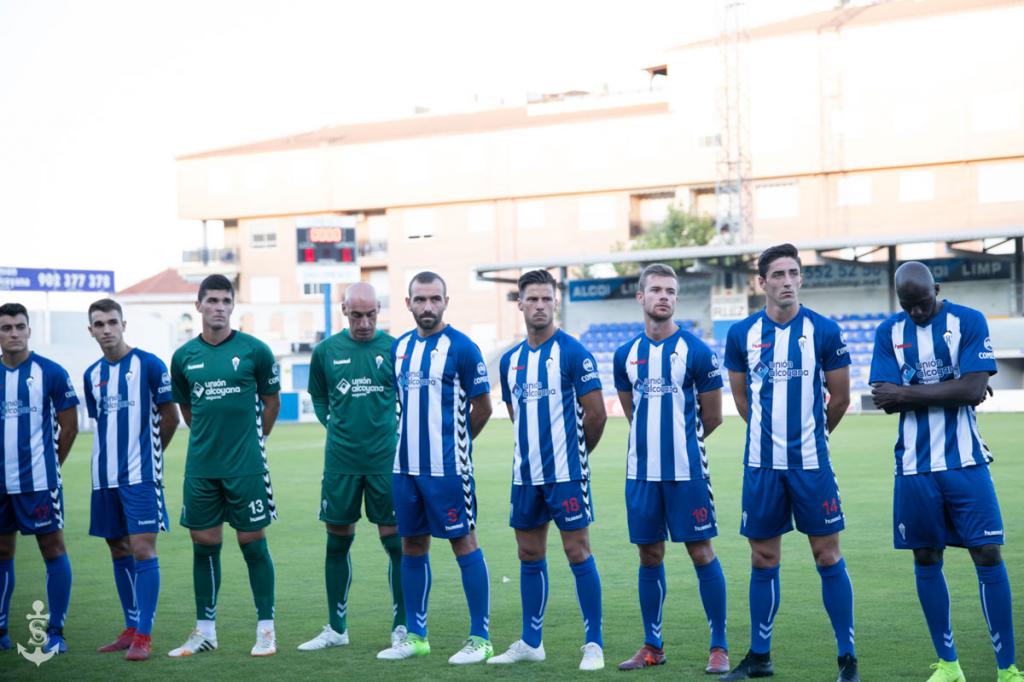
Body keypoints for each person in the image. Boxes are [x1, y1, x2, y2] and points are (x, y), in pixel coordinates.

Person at [870, 261, 1023, 682]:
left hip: (966, 461)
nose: (916, 313)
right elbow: (884, 399)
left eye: (921, 303)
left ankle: (1007, 668)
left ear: (936, 289)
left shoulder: (968, 321)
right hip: (914, 466)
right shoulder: (889, 332)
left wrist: (908, 391)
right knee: (925, 555)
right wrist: (950, 389)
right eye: (907, 306)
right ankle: (949, 664)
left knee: (988, 553)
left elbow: (974, 390)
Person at [721, 244, 858, 682]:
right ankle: (759, 657)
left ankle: (847, 658)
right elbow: (743, 400)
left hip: (811, 464)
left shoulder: (824, 330)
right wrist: (771, 437)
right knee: (763, 558)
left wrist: (810, 438)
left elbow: (840, 398)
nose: (786, 281)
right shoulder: (741, 334)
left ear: (801, 279)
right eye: (777, 274)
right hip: (761, 465)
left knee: (827, 555)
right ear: (761, 283)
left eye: (793, 273)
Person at [612, 263, 730, 674]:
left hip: (687, 473)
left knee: (701, 553)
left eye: (671, 292)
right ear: (641, 297)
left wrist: (679, 445)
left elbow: (712, 417)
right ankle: (652, 647)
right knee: (649, 556)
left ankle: (719, 646)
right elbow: (632, 412)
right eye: (657, 290)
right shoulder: (624, 354)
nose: (664, 297)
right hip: (641, 474)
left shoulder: (697, 351)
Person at [489, 269, 608, 671]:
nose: (539, 306)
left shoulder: (574, 353)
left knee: (577, 551)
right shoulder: (510, 361)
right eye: (532, 299)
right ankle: (531, 641)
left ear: (555, 303)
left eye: (546, 299)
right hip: (525, 475)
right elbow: (513, 413)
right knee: (528, 553)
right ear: (520, 304)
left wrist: (574, 456)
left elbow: (596, 415)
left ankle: (594, 642)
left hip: (566, 474)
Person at [375, 271, 495, 665]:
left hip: (448, 468)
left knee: (464, 543)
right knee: (412, 545)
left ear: (446, 302)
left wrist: (454, 445)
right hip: (404, 467)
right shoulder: (400, 348)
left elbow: (483, 409)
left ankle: (481, 637)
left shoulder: (463, 348)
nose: (428, 307)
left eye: (435, 299)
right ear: (407, 303)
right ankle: (416, 635)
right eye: (420, 299)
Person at [167, 274, 281, 658]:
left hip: (246, 467)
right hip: (201, 467)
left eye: (225, 301)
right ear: (198, 306)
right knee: (204, 545)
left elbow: (271, 403)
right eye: (211, 301)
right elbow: (188, 411)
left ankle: (266, 629)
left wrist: (251, 442)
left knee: (252, 543)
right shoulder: (183, 357)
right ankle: (205, 631)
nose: (218, 307)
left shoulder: (255, 351)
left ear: (233, 306)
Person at [298, 282, 405, 651]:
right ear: (344, 310)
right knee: (337, 543)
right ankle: (336, 628)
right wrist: (336, 426)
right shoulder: (326, 351)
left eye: (371, 314)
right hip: (341, 462)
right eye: (357, 315)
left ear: (379, 309)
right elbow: (319, 395)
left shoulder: (395, 349)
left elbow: (406, 397)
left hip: (385, 462)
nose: (364, 322)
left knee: (396, 545)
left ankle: (402, 627)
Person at [84, 298, 179, 661]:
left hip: (141, 476)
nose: (106, 329)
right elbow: (101, 423)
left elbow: (169, 418)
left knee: (142, 549)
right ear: (90, 330)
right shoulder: (91, 374)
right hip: (103, 478)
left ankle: (145, 634)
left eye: (112, 322)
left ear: (124, 324)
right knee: (118, 548)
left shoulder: (150, 365)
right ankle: (130, 625)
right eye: (99, 324)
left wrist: (151, 456)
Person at [0, 302, 78, 654]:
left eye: (19, 326)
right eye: (6, 327)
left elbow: (70, 426)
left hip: (40, 484)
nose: (13, 333)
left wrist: (51, 466)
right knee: (2, 551)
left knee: (53, 549)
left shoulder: (51, 372)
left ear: (29, 330)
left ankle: (56, 632)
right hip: (1, 485)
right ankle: (0, 629)